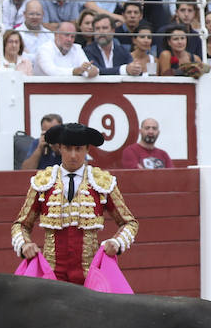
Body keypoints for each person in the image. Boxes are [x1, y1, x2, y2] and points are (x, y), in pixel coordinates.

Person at [11, 122, 138, 285]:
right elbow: (20, 224)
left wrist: (117, 242)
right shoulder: (43, 182)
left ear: (87, 150)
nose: (73, 155)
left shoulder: (102, 183)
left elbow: (129, 223)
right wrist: (25, 245)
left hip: (90, 278)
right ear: (60, 148)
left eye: (78, 149)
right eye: (68, 148)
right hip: (52, 278)